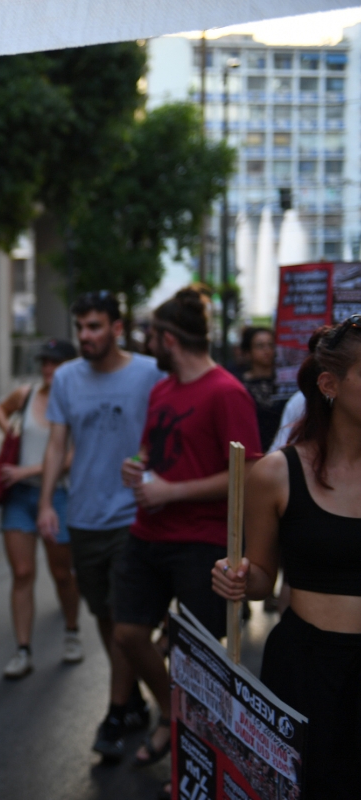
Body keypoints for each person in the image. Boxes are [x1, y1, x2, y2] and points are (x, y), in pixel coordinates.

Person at [211, 314, 361, 798]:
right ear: (329, 384)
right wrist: (238, 576)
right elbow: (261, 578)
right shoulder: (277, 473)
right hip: (306, 668)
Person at [117, 288, 262, 769]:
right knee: (128, 634)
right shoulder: (162, 389)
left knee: (198, 657)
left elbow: (248, 475)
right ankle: (169, 714)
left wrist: (172, 492)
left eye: (151, 337)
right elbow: (152, 452)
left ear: (168, 339)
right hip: (147, 535)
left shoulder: (227, 392)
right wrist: (137, 469)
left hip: (200, 541)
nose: (147, 345)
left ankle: (190, 757)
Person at [37, 291, 163, 759]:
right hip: (84, 516)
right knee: (106, 616)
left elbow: (162, 435)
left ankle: (117, 712)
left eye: (94, 327)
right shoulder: (67, 377)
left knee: (125, 618)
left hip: (134, 515)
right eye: (81, 328)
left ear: (116, 327)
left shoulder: (149, 373)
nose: (85, 336)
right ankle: (131, 700)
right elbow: (55, 446)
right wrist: (48, 502)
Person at [0, 338, 83, 679]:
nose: (49, 370)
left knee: (62, 573)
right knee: (22, 573)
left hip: (58, 496)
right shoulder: (27, 394)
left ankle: (72, 632)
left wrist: (27, 469)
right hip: (18, 497)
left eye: (56, 363)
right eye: (45, 363)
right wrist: (8, 433)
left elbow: (72, 457)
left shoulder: (75, 401)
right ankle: (23, 650)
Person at [238, 326, 287, 451]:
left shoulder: (286, 383)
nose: (267, 350)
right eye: (260, 346)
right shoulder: (239, 385)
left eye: (270, 345)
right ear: (248, 352)